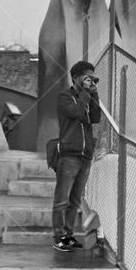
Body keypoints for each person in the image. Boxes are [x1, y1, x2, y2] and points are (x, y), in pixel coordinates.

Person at [52, 59, 101, 251]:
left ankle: (68, 235)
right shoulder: (65, 96)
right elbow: (77, 112)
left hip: (85, 156)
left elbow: (95, 118)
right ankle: (58, 237)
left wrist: (94, 94)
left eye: (92, 78)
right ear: (75, 78)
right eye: (86, 77)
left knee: (74, 200)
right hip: (69, 155)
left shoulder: (87, 96)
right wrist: (85, 94)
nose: (90, 81)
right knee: (61, 199)